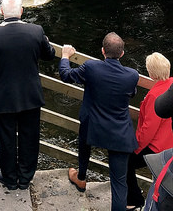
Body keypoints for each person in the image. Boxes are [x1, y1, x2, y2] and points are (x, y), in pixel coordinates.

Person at [0, 0, 56, 191]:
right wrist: (45, 41)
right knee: (30, 137)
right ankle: (26, 177)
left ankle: (9, 177)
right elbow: (49, 55)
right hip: (30, 95)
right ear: (21, 12)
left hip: (3, 97)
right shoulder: (36, 31)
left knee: (6, 138)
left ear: (2, 13)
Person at [59, 33, 139, 211]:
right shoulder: (132, 75)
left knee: (84, 143)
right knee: (119, 182)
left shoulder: (91, 67)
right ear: (122, 54)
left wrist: (65, 56)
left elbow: (65, 75)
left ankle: (81, 177)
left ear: (102, 51)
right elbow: (132, 93)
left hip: (92, 126)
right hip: (119, 132)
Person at [126, 52, 173, 210]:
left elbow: (148, 130)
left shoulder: (155, 95)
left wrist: (136, 147)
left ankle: (134, 200)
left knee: (127, 162)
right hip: (169, 143)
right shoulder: (171, 85)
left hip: (157, 146)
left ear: (151, 74)